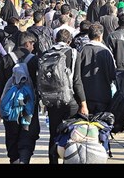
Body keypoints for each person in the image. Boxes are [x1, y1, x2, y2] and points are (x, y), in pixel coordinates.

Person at [0, 31, 40, 164]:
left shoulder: (5, 59)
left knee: (11, 133)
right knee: (28, 132)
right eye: (32, 44)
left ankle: (14, 159)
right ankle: (24, 159)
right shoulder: (35, 60)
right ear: (27, 44)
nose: (33, 47)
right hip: (29, 105)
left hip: (10, 105)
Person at [44, 29, 89, 164]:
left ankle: (53, 161)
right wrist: (83, 104)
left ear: (55, 39)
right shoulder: (74, 53)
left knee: (54, 134)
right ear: (69, 41)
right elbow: (77, 81)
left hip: (51, 100)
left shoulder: (47, 53)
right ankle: (68, 160)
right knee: (70, 135)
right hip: (70, 100)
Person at [79, 23, 116, 114]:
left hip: (85, 96)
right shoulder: (106, 52)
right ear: (101, 36)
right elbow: (113, 74)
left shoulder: (82, 50)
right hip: (103, 96)